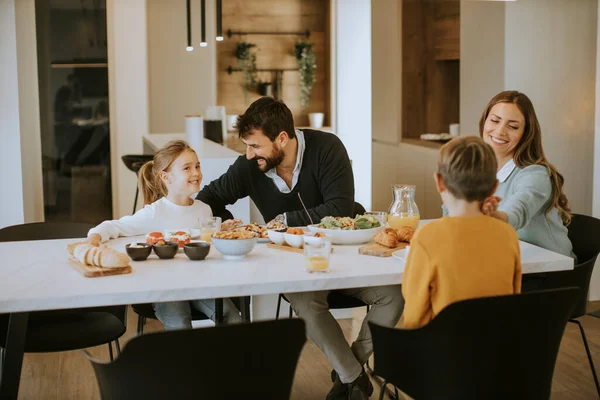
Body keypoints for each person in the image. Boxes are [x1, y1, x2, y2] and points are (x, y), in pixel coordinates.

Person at [197, 97, 404, 400]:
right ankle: (354, 377)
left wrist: (282, 221)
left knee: (394, 296)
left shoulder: (327, 149)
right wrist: (232, 225)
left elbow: (341, 207)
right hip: (295, 266)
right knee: (305, 303)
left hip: (346, 257)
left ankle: (348, 367)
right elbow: (207, 198)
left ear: (282, 138)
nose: (248, 153)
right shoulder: (250, 166)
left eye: (255, 145)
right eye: (246, 145)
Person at [85, 140, 241, 330]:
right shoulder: (154, 213)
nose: (196, 173)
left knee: (232, 317)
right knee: (179, 323)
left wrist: (220, 230)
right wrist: (94, 238)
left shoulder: (204, 210)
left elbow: (201, 239)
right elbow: (113, 226)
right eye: (187, 168)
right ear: (166, 177)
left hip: (199, 283)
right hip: (166, 287)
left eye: (197, 166)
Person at [402, 136, 522, 329]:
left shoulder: (427, 237)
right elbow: (513, 296)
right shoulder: (508, 235)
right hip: (496, 351)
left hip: (444, 351)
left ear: (439, 182)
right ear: (494, 187)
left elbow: (414, 316)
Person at [478, 91, 573, 258]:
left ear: (526, 133)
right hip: (508, 260)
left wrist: (495, 217)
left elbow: (518, 210)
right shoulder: (479, 170)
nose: (500, 131)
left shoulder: (535, 174)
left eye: (513, 126)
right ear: (484, 121)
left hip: (551, 271)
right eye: (494, 120)